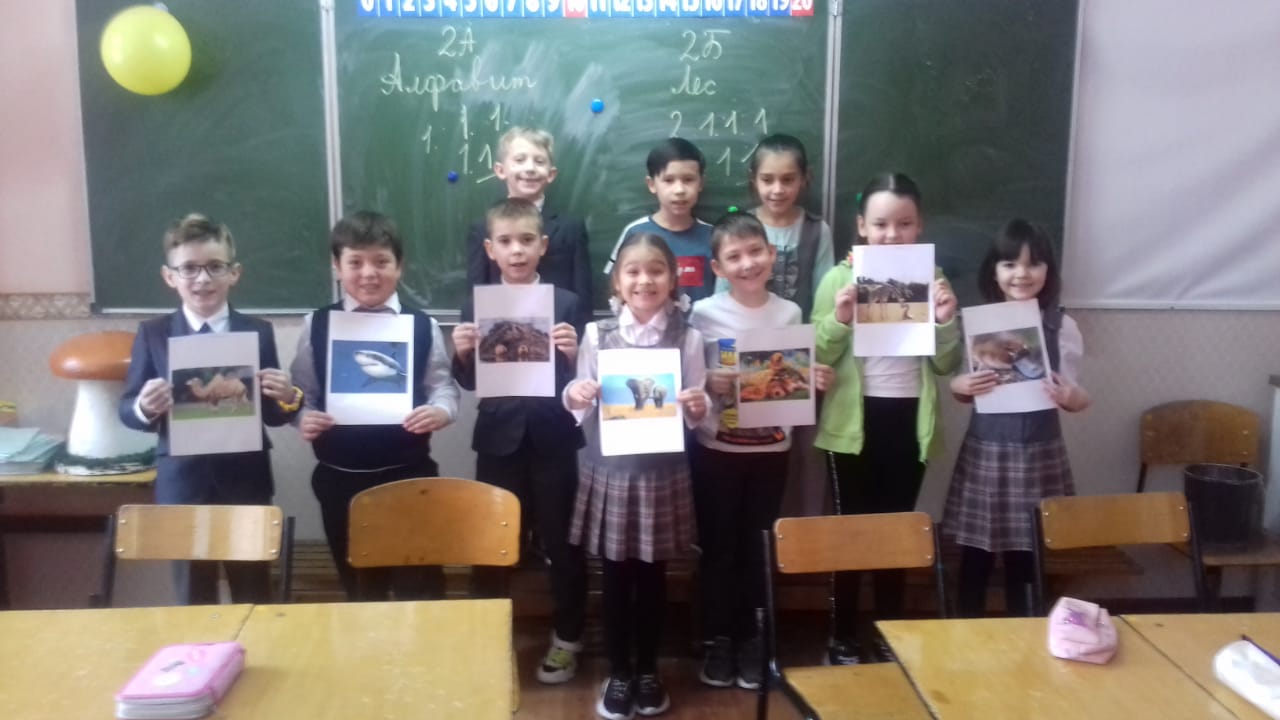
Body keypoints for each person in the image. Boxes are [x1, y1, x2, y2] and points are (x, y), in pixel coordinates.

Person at [812, 173, 961, 664]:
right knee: (850, 533)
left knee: (896, 533)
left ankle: (887, 632)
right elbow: (815, 354)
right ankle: (841, 636)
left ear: (920, 225)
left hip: (909, 422)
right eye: (880, 224)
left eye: (904, 223)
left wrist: (945, 321)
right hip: (851, 427)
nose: (892, 234)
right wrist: (840, 319)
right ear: (861, 226)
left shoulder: (933, 278)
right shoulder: (837, 279)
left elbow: (947, 364)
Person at [119, 213, 301, 604]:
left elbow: (272, 415)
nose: (203, 279)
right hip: (183, 484)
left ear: (234, 273)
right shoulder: (153, 333)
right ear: (170, 277)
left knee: (253, 594)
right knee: (192, 597)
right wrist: (144, 407)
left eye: (215, 267)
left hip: (245, 481)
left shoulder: (258, 331)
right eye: (189, 268)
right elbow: (127, 410)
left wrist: (287, 395)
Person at [565, 233, 710, 719]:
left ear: (673, 279)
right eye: (633, 271)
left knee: (653, 576)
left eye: (655, 270)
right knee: (613, 575)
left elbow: (699, 410)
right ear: (617, 281)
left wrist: (698, 404)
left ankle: (648, 668)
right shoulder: (596, 334)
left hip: (661, 474)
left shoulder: (688, 338)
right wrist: (576, 394)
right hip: (611, 471)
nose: (644, 280)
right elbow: (577, 401)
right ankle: (619, 671)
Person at [689, 213, 832, 691]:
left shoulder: (790, 313)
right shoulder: (702, 313)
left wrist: (813, 378)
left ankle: (754, 639)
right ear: (717, 267)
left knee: (758, 544)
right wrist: (707, 381)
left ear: (772, 255)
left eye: (756, 251)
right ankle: (718, 639)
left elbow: (793, 379)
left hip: (772, 450)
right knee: (719, 547)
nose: (747, 263)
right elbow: (687, 379)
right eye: (734, 256)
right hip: (717, 450)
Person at [452, 198, 588, 684]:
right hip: (497, 441)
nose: (517, 250)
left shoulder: (566, 303)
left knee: (563, 543)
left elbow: (581, 383)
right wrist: (462, 354)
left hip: (554, 439)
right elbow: (471, 383)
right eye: (506, 242)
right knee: (491, 543)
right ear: (490, 249)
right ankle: (485, 634)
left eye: (526, 240)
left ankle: (568, 638)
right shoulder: (476, 306)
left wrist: (572, 355)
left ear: (543, 245)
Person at [290, 210, 459, 600]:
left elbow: (443, 387)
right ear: (337, 268)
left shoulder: (422, 325)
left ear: (400, 266)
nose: (369, 273)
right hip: (339, 480)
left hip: (409, 478)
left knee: (421, 587)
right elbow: (302, 392)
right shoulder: (317, 324)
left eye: (381, 261)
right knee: (361, 590)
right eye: (355, 262)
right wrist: (302, 417)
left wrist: (441, 411)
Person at [944, 219, 1091, 618]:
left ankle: (1026, 635)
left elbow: (1079, 397)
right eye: (1010, 264)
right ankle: (964, 634)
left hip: (1038, 455)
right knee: (975, 555)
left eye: (1033, 263)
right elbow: (960, 390)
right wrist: (961, 384)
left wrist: (1071, 397)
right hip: (986, 453)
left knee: (1026, 558)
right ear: (994, 272)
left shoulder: (1062, 326)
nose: (1021, 274)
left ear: (1048, 271)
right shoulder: (977, 324)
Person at [466, 126, 592, 330]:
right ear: (500, 170)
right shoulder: (482, 228)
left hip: (559, 335)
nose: (530, 168)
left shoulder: (571, 227)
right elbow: (476, 293)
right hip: (502, 334)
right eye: (520, 160)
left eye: (539, 161)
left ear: (551, 174)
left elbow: (583, 294)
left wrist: (579, 339)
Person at [726, 133, 835, 323]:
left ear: (804, 178)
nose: (777, 190)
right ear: (753, 178)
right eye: (767, 180)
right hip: (746, 333)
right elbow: (722, 298)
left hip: (800, 336)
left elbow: (825, 301)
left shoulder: (817, 231)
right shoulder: (737, 228)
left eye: (788, 180)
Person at [604, 138, 715, 305]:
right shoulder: (635, 232)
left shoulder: (713, 236)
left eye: (688, 179)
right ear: (651, 184)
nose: (679, 190)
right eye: (669, 180)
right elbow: (616, 285)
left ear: (701, 183)